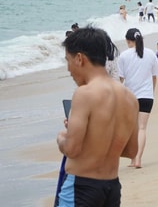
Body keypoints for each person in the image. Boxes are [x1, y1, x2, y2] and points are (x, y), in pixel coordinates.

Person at [57, 27, 139, 206]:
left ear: (79, 58)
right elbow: (132, 151)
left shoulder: (84, 94)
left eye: (68, 61)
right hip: (111, 188)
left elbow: (71, 149)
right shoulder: (130, 98)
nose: (69, 69)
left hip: (81, 188)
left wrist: (62, 137)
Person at [117, 28, 158, 168]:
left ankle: (132, 159)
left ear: (129, 41)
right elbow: (154, 76)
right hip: (147, 96)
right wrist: (151, 92)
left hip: (130, 97)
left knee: (132, 129)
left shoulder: (124, 56)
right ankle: (138, 160)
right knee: (142, 128)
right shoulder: (150, 54)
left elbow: (120, 79)